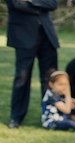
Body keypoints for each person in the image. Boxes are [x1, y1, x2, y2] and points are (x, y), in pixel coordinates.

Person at [6, 0, 59, 129]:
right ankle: (16, 116)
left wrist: (30, 1)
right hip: (23, 33)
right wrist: (41, 5)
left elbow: (53, 4)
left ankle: (50, 115)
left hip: (46, 33)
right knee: (22, 77)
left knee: (50, 77)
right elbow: (16, 4)